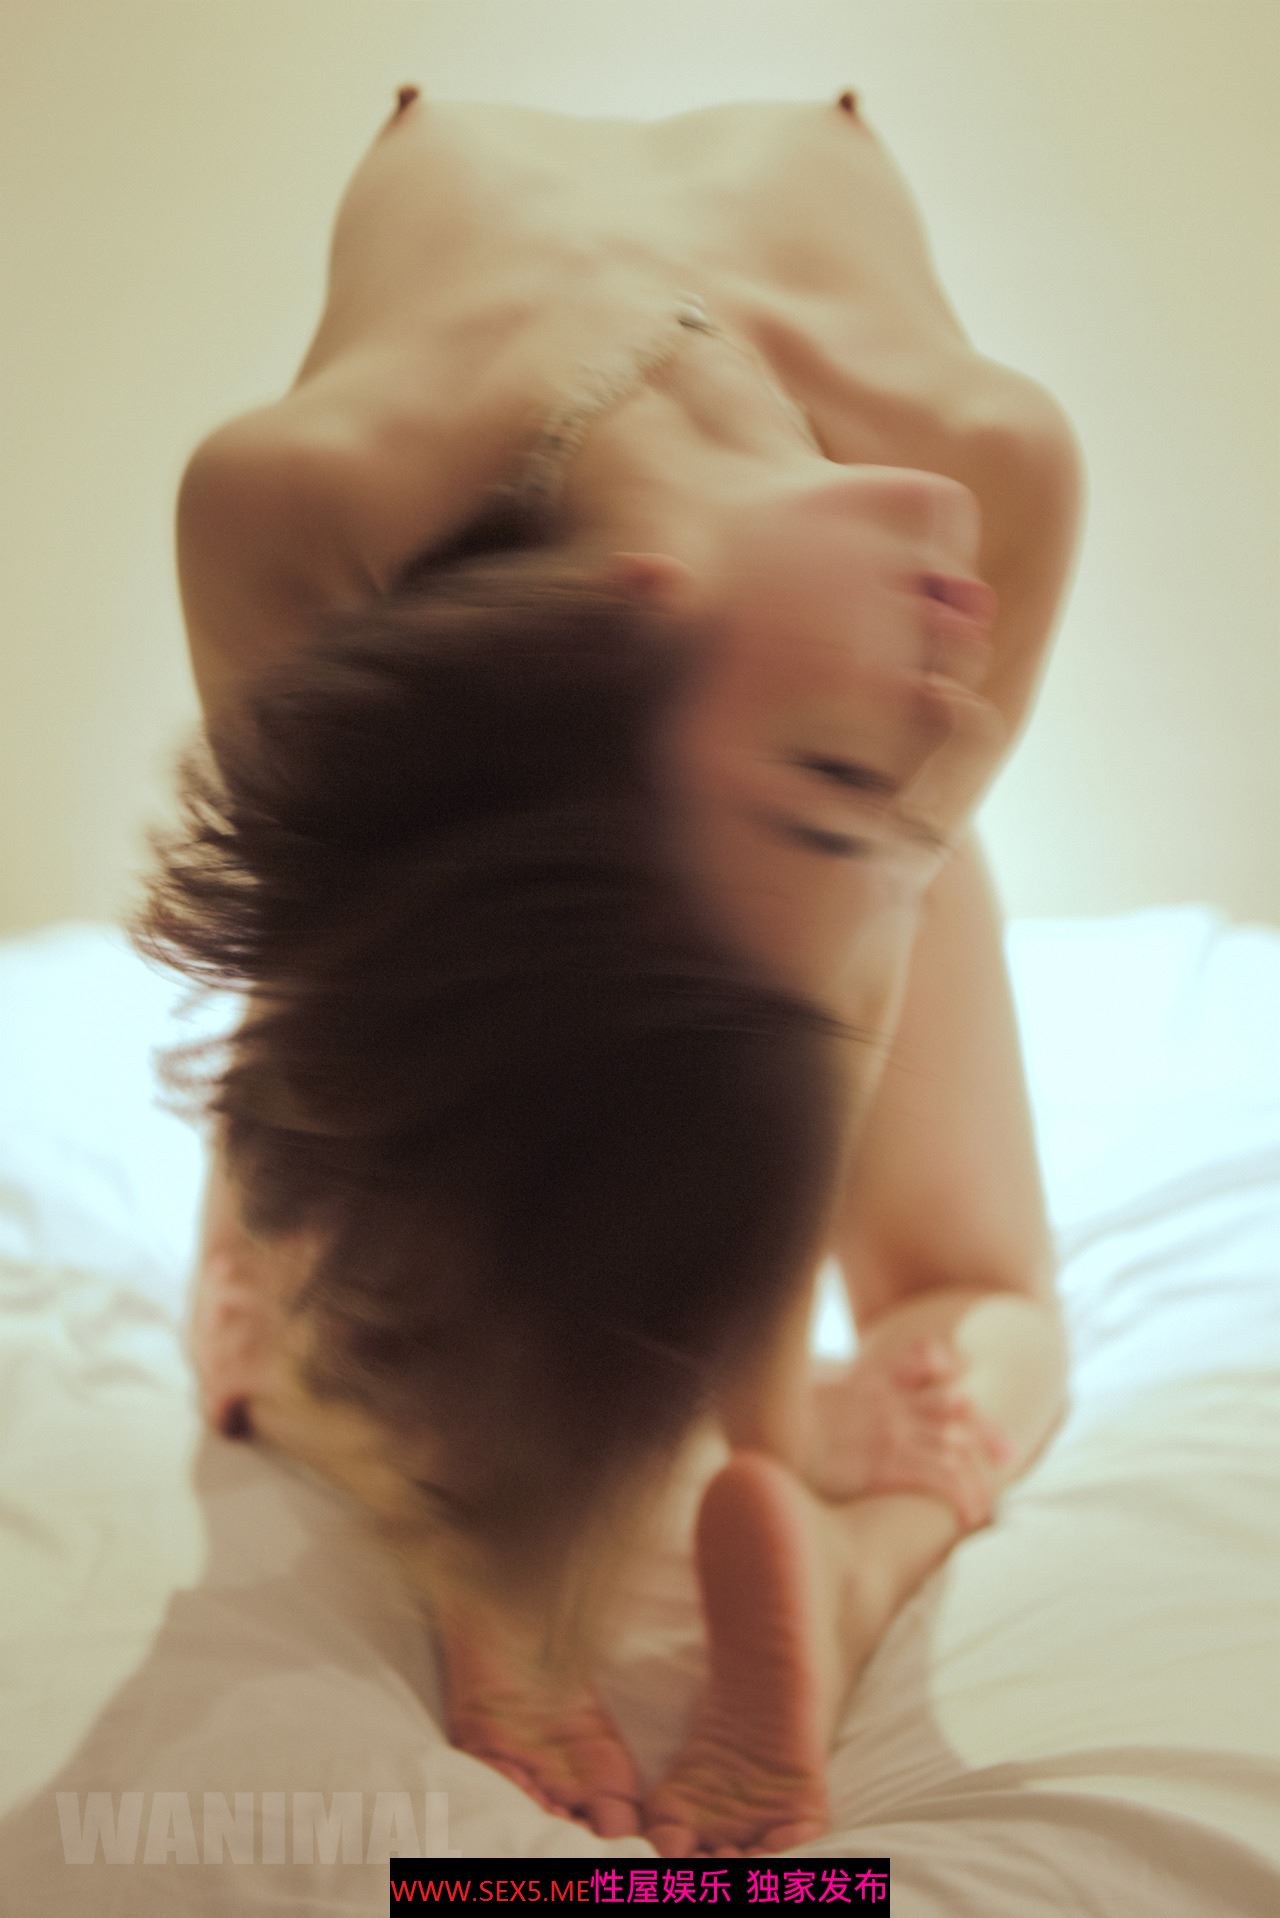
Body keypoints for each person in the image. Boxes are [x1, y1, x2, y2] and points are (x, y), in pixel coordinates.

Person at [133, 87, 1084, 1856]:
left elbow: (835, 1000)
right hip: (488, 927)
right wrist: (526, 1517)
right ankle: (511, 1570)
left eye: (832, 782)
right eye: (829, 783)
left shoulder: (987, 470)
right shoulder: (298, 500)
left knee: (970, 1284)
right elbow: (350, 992)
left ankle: (826, 1566)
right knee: (296, 1276)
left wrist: (761, 1440)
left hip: (794, 919)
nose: (937, 717)